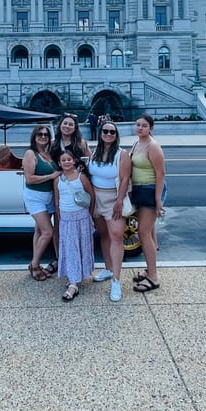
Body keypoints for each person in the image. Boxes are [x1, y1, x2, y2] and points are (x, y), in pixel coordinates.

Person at [87, 121, 131, 302]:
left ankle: (116, 280)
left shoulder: (122, 154)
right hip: (96, 198)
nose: (108, 134)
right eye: (105, 131)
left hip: (113, 198)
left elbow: (125, 178)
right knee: (103, 235)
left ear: (116, 135)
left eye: (112, 132)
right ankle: (108, 268)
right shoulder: (94, 152)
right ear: (100, 133)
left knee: (116, 236)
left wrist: (119, 201)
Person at [129, 114, 165, 293]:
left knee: (143, 232)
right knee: (149, 231)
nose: (140, 128)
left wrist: (158, 200)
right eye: (138, 125)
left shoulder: (153, 146)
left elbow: (161, 173)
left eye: (144, 125)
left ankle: (153, 277)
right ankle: (149, 269)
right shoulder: (137, 143)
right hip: (138, 190)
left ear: (151, 128)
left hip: (150, 190)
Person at [53, 149, 96, 302]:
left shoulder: (81, 177)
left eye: (69, 159)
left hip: (81, 217)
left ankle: (75, 277)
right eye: (63, 160)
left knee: (81, 247)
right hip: (66, 219)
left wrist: (89, 214)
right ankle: (73, 283)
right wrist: (60, 218)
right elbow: (57, 201)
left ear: (74, 161)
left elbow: (91, 195)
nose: (66, 162)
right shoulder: (57, 180)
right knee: (70, 249)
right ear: (59, 163)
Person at [22, 124, 60, 281]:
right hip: (35, 197)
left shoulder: (47, 153)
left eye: (45, 134)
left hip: (49, 197)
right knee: (48, 232)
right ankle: (35, 264)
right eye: (40, 134)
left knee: (39, 230)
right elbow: (29, 178)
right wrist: (50, 177)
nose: (43, 136)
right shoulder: (30, 154)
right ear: (34, 137)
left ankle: (34, 262)